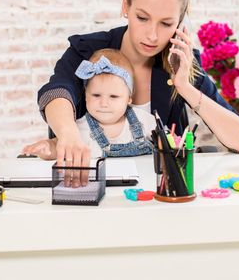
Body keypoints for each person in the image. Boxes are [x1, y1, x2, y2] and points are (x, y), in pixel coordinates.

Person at [38, 0, 239, 187]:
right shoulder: (87, 49)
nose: (152, 35)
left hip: (156, 193)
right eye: (142, 18)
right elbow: (57, 92)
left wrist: (185, 87)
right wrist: (68, 134)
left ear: (180, 24)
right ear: (125, 6)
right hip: (85, 185)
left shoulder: (182, 61)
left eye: (166, 23)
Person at [23, 49, 157, 185]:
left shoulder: (144, 120)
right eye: (96, 95)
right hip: (101, 185)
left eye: (114, 96)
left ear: (129, 99)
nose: (104, 104)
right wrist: (48, 147)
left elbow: (165, 140)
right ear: (86, 95)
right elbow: (61, 146)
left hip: (143, 184)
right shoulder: (80, 128)